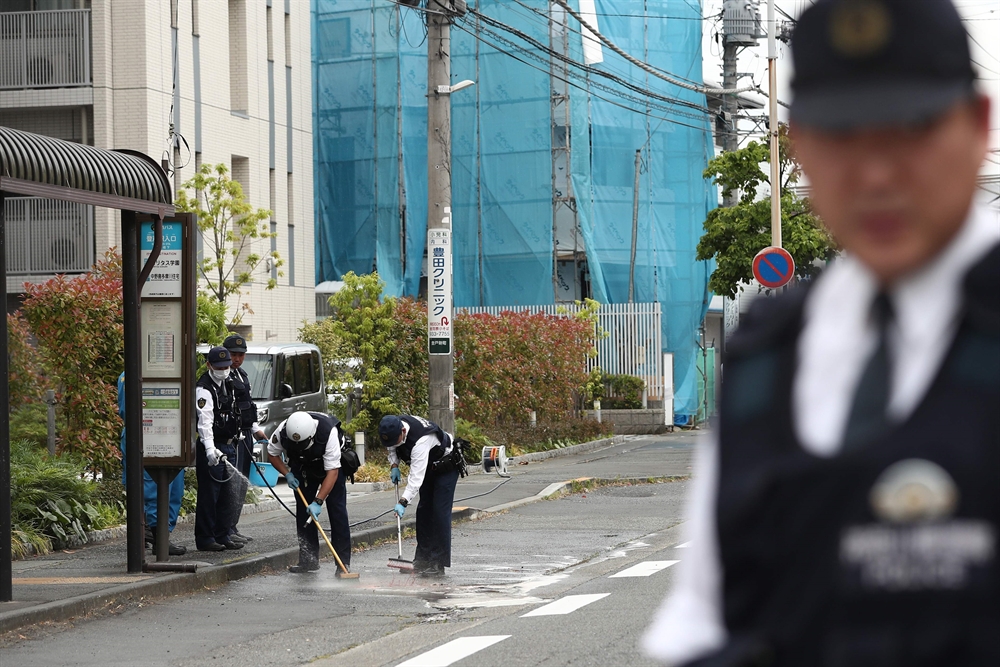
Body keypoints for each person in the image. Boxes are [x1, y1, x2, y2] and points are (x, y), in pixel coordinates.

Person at [643, 1, 998, 664]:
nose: (876, 174)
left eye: (911, 129)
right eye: (844, 134)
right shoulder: (767, 356)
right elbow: (702, 615)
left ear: (978, 126)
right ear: (800, 144)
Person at [267, 411, 351, 574]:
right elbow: (272, 453)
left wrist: (318, 501)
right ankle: (308, 560)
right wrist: (287, 474)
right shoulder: (283, 430)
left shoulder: (328, 433)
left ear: (311, 436)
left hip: (330, 466)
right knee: (303, 512)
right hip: (302, 465)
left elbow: (332, 472)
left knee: (337, 511)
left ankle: (343, 563)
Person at [379, 414, 460, 577]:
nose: (393, 443)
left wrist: (402, 502)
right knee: (424, 511)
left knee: (439, 513)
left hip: (446, 466)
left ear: (403, 431)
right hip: (429, 467)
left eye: (396, 439)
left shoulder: (421, 440)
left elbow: (415, 479)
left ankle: (438, 563)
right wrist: (394, 465)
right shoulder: (393, 427)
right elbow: (392, 447)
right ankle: (422, 559)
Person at [117, 372, 186, 556]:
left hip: (167, 436)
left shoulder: (170, 373)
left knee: (173, 490)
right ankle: (156, 536)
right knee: (151, 489)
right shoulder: (131, 374)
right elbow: (127, 410)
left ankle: (161, 534)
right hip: (145, 436)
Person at [194, 346, 245, 552]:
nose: (224, 370)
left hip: (230, 444)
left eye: (226, 366)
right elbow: (204, 423)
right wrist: (209, 449)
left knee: (228, 492)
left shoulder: (229, 383)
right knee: (210, 494)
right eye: (219, 366)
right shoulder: (204, 389)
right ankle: (206, 538)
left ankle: (223, 534)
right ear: (209, 365)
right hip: (213, 447)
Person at [222, 333, 267, 544]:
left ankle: (233, 525)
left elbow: (247, 407)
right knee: (232, 482)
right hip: (234, 436)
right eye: (233, 354)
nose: (237, 359)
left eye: (240, 355)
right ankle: (226, 528)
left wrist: (256, 429)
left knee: (242, 483)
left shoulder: (242, 375)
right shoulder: (222, 377)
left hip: (247, 433)